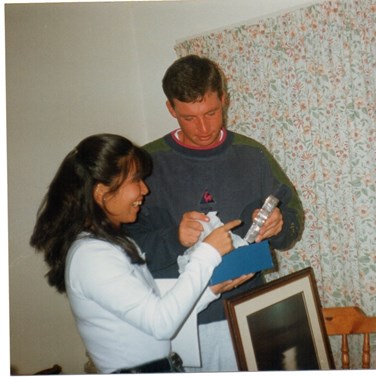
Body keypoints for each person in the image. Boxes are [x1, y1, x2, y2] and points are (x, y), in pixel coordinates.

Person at [125, 54, 304, 371]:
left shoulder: (253, 155)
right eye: (189, 118)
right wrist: (172, 237)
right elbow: (123, 249)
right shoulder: (145, 164)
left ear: (225, 99)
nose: (204, 128)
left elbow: (292, 220)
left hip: (249, 313)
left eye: (212, 112)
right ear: (171, 109)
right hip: (183, 321)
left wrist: (281, 223)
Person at [29, 134, 252, 374]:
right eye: (136, 180)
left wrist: (209, 292)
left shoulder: (114, 243)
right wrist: (207, 252)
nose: (144, 190)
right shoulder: (91, 257)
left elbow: (152, 314)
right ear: (101, 192)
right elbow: (161, 324)